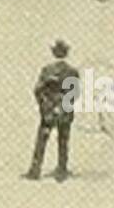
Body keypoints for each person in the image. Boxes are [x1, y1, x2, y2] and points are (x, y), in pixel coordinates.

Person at [24, 40, 79, 181]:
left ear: (53, 53)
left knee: (42, 140)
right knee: (63, 140)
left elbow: (38, 90)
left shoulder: (47, 70)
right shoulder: (72, 71)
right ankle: (61, 169)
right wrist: (65, 107)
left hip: (48, 111)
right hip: (65, 111)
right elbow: (74, 94)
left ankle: (35, 170)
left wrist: (44, 106)